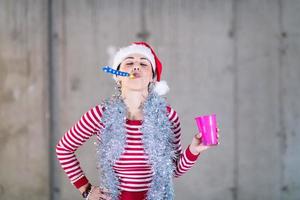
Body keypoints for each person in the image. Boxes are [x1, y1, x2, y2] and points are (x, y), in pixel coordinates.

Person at [56, 41, 219, 200]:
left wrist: (194, 150)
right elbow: (64, 149)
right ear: (118, 76)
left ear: (153, 77)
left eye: (143, 63)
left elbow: (172, 171)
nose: (136, 66)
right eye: (129, 62)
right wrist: (87, 190)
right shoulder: (100, 114)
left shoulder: (168, 117)